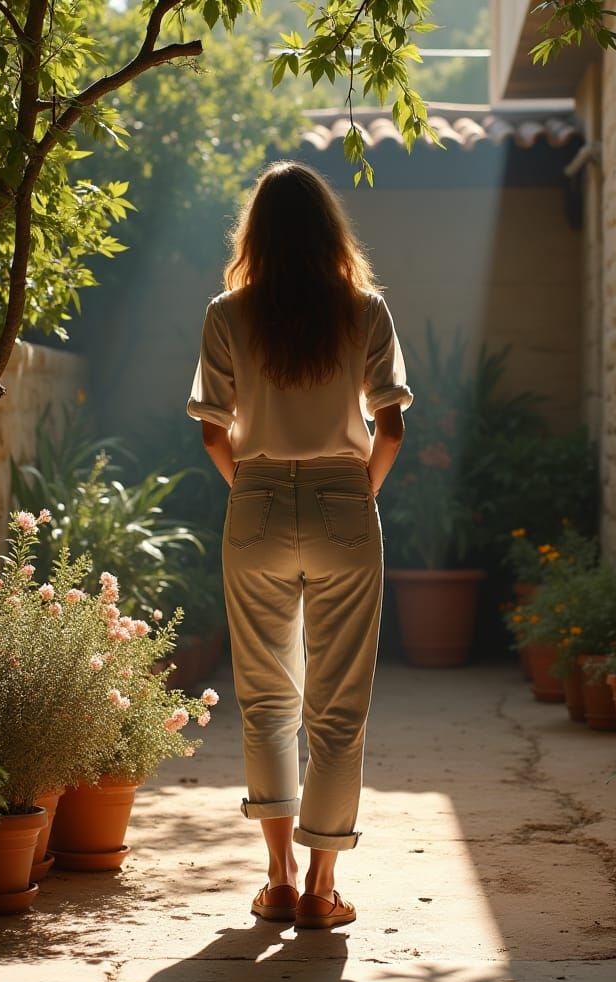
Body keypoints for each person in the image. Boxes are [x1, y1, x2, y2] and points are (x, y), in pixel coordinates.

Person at [185, 160, 413, 929]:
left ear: (256, 233)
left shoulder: (227, 313)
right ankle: (322, 890)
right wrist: (357, 496)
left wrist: (251, 487)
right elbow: (392, 428)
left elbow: (214, 431)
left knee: (266, 702)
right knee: (337, 709)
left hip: (253, 501)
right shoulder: (365, 311)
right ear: (329, 232)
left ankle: (277, 878)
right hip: (345, 500)